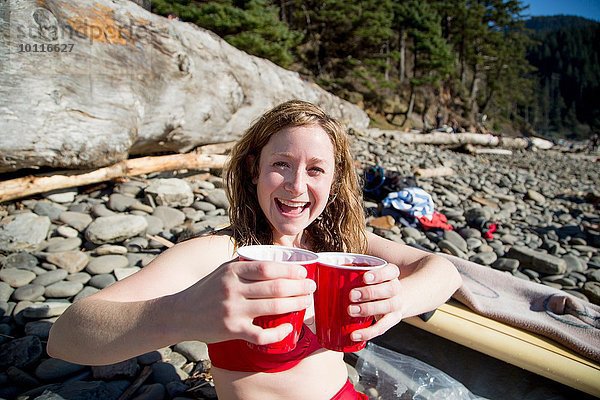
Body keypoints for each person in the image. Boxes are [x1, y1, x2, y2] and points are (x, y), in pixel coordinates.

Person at [47, 100, 462, 399]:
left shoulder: (338, 248)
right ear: (254, 169)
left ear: (333, 184)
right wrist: (179, 315)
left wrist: (398, 301)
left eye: (315, 170)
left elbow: (442, 270)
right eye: (281, 163)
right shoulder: (223, 255)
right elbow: (65, 337)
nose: (297, 186)